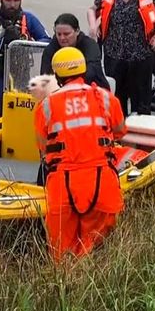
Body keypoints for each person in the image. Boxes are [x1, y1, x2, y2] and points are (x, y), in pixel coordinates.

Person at [34, 47, 127, 262]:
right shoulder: (106, 98)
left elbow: (42, 146)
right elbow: (120, 130)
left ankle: (66, 282)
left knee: (61, 252)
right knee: (96, 251)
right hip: (101, 182)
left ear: (57, 75)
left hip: (62, 185)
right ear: (83, 70)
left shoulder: (45, 106)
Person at [40, 13, 110, 90]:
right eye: (59, 34)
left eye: (66, 34)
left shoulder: (90, 45)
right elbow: (45, 75)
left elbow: (92, 72)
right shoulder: (51, 48)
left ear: (77, 31)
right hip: (60, 89)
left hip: (94, 88)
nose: (62, 38)